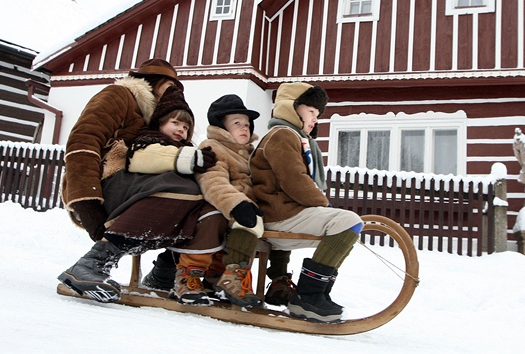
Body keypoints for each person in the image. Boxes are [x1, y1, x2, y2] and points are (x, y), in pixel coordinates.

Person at [58, 60, 227, 305]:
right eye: (168, 86)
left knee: (204, 200)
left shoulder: (159, 118)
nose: (172, 92)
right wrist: (87, 201)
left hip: (140, 187)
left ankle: (164, 274)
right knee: (181, 187)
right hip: (106, 183)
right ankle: (91, 264)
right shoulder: (119, 96)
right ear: (152, 82)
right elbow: (83, 142)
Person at [250, 82, 363, 323]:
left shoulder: (295, 138)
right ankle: (308, 297)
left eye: (317, 114)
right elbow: (294, 180)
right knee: (348, 222)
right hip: (279, 216)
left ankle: (317, 294)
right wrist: (323, 205)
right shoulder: (282, 135)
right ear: (292, 108)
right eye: (312, 111)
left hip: (285, 213)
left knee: (348, 228)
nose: (315, 119)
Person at [195, 94, 265, 308]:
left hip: (249, 207)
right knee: (251, 221)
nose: (245, 127)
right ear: (222, 127)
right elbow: (212, 180)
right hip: (223, 207)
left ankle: (279, 281)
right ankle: (232, 279)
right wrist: (237, 204)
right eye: (237, 123)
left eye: (247, 124)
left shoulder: (251, 154)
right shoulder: (213, 147)